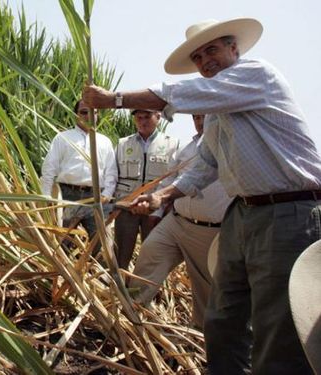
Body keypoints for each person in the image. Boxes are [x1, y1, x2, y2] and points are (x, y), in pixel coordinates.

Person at [82, 17, 320, 375]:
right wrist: (163, 196)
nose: (205, 60)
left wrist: (114, 99)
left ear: (233, 49)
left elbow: (178, 94)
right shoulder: (215, 117)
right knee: (223, 317)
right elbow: (205, 163)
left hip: (288, 212)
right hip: (243, 216)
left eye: (212, 49)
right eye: (197, 56)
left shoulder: (256, 75)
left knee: (277, 326)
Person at [129, 114, 231, 329]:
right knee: (149, 255)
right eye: (195, 116)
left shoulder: (230, 146)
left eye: (203, 115)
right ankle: (131, 317)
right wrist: (157, 214)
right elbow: (169, 179)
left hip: (209, 231)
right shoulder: (187, 148)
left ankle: (200, 340)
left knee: (206, 288)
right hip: (176, 222)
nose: (199, 120)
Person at [41, 99, 117, 252]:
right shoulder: (63, 138)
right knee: (61, 243)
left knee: (102, 245)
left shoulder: (105, 142)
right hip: (68, 197)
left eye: (93, 112)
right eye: (84, 112)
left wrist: (107, 194)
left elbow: (111, 172)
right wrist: (46, 198)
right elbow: (49, 168)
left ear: (98, 115)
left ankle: (98, 275)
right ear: (76, 115)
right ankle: (59, 275)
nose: (88, 116)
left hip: (96, 198)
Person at [113, 109, 178, 269]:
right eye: (138, 117)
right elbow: (113, 175)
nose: (142, 121)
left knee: (153, 257)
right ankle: (117, 290)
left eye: (147, 116)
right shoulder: (122, 144)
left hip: (155, 211)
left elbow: (175, 178)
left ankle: (149, 292)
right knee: (120, 255)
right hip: (127, 210)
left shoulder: (172, 144)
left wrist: (163, 207)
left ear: (158, 117)